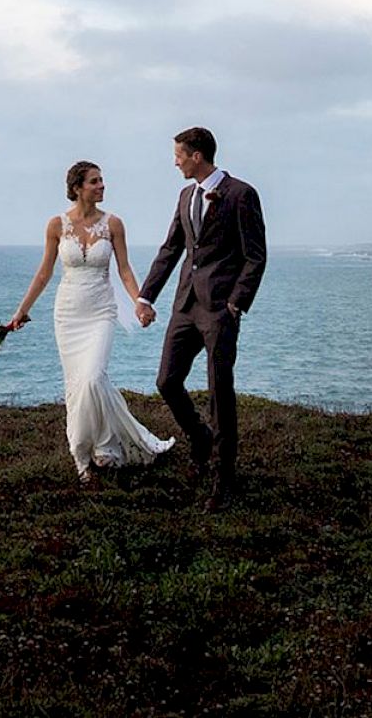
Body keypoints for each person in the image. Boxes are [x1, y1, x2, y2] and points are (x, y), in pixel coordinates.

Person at [8, 160, 173, 484]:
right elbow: (44, 273)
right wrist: (21, 311)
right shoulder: (56, 225)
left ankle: (106, 446)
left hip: (100, 312)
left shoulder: (113, 225)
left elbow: (124, 270)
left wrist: (142, 303)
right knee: (76, 386)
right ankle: (86, 459)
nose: (102, 186)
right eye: (95, 181)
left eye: (102, 180)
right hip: (68, 314)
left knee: (93, 378)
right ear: (77, 188)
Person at [136, 126, 266, 511]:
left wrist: (236, 303)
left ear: (197, 155)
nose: (174, 161)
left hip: (220, 309)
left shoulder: (241, 194)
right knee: (167, 380)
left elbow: (255, 255)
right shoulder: (185, 195)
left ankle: (223, 480)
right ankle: (200, 438)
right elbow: (172, 248)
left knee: (219, 391)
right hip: (185, 305)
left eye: (179, 155)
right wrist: (146, 296)